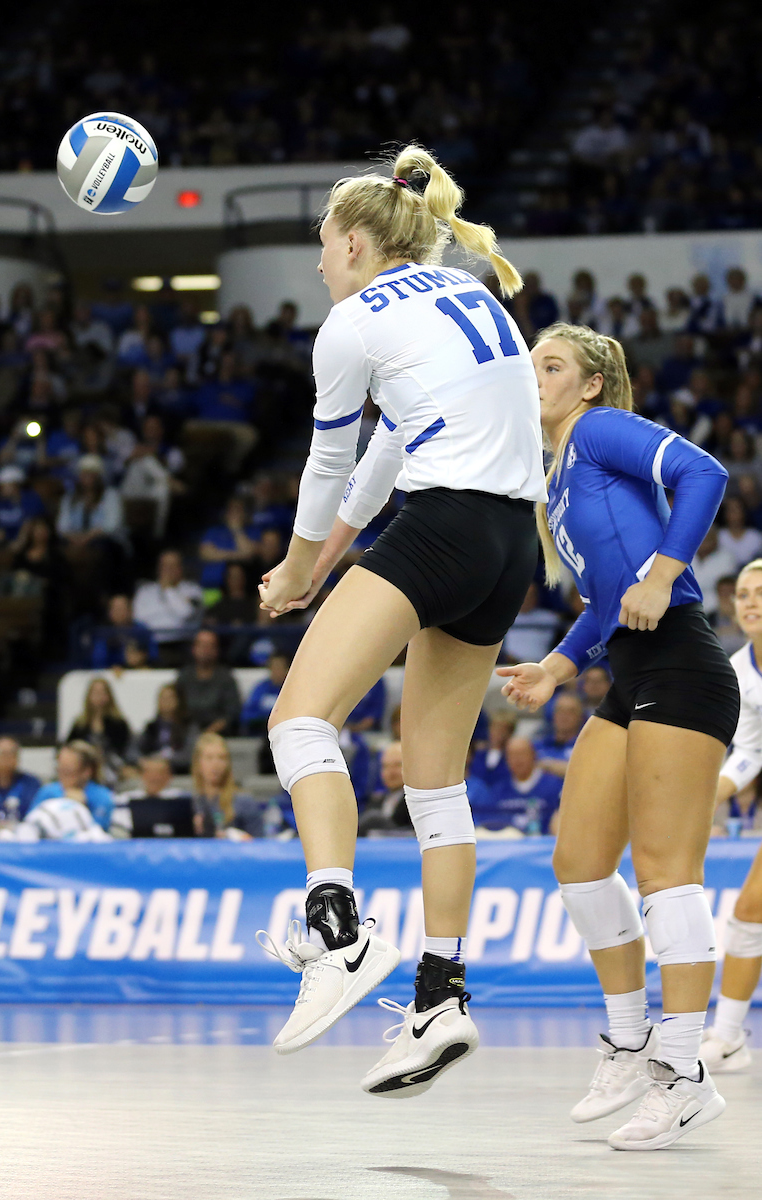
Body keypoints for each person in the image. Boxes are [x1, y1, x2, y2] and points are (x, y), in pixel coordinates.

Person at [254, 145, 544, 1095]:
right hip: (509, 546)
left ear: (348, 240)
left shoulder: (349, 322)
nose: (320, 266)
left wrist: (298, 566)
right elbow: (388, 447)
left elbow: (330, 464)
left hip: (446, 522)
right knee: (435, 786)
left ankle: (337, 931)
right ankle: (439, 1000)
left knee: (297, 720)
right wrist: (324, 565)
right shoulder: (467, 293)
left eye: (322, 249)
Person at [498, 322, 738, 1149]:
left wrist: (668, 569)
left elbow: (705, 472)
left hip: (680, 663)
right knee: (578, 864)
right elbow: (606, 603)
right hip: (627, 674)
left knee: (667, 873)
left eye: (551, 365)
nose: (535, 376)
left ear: (590, 385)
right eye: (531, 364)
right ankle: (630, 1040)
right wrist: (559, 669)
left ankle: (684, 1074)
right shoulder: (553, 477)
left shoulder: (598, 432)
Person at [701, 559, 762, 1073]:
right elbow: (749, 752)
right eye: (743, 594)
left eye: (761, 592)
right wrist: (708, 796)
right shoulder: (739, 671)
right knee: (749, 913)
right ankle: (728, 1038)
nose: (751, 601)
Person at [471, 736, 561, 835]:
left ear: (533, 755)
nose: (517, 760)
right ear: (506, 760)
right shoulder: (498, 791)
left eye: (522, 754)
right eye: (512, 755)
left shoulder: (554, 787)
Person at [28, 741, 114, 831]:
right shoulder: (47, 792)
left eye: (68, 772)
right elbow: (30, 826)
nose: (62, 777)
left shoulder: (102, 797)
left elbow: (98, 835)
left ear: (86, 772)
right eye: (59, 770)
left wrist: (80, 808)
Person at [189, 732, 263, 838]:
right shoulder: (192, 803)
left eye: (222, 758)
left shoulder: (244, 802)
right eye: (209, 758)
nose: (216, 764)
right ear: (197, 763)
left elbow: (260, 842)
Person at [110, 756, 196, 838]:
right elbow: (117, 825)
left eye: (159, 772)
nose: (154, 777)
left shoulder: (183, 799)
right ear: (142, 775)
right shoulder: (125, 800)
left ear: (169, 775)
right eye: (149, 772)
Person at [177, 628, 241, 734]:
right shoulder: (184, 676)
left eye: (210, 646)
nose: (205, 650)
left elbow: (232, 712)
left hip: (220, 734)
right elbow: (177, 708)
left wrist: (210, 732)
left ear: (217, 649)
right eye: (201, 645)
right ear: (193, 648)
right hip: (186, 733)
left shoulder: (226, 678)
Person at [132, 549, 203, 644]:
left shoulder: (193, 590)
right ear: (158, 568)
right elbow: (138, 617)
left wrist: (168, 589)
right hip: (151, 644)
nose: (168, 570)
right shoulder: (145, 591)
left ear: (181, 568)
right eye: (165, 565)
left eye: (173, 565)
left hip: (184, 643)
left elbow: (185, 614)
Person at [67, 678, 131, 782]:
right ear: (89, 696)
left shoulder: (119, 723)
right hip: (84, 768)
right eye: (96, 693)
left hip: (113, 768)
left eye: (102, 692)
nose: (99, 696)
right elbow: (69, 746)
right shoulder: (80, 724)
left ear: (109, 696)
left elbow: (125, 750)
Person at [136, 682, 195, 773]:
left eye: (170, 698)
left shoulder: (189, 726)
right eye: (162, 698)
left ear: (179, 700)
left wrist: (164, 760)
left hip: (178, 771)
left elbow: (190, 754)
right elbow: (133, 750)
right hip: (152, 769)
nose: (166, 701)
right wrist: (142, 760)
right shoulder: (151, 727)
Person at [357, 741, 411, 836]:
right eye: (385, 766)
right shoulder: (375, 800)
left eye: (397, 765)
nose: (390, 772)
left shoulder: (415, 801)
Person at [90, 594, 157, 669]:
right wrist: (119, 661)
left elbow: (154, 655)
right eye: (116, 609)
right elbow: (98, 661)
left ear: (130, 610)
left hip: (141, 671)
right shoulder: (104, 632)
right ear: (110, 612)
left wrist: (142, 658)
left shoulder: (141, 630)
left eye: (123, 609)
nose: (119, 613)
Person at [533, 690, 584, 777]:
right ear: (553, 714)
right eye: (560, 710)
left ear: (580, 717)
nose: (564, 715)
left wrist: (547, 765)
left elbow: (586, 774)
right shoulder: (537, 746)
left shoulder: (586, 747)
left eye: (571, 711)